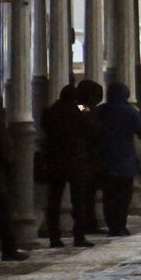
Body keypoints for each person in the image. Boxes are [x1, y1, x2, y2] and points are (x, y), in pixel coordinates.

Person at [95, 82, 141, 236]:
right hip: (125, 162)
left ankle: (112, 225)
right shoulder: (129, 112)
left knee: (109, 196)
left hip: (106, 160)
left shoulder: (101, 111)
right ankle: (121, 225)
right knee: (123, 196)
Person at [41, 85, 93, 248]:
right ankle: (79, 236)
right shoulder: (78, 109)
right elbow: (89, 119)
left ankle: (54, 237)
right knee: (79, 201)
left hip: (55, 160)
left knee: (54, 200)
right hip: (76, 160)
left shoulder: (50, 111)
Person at [0, 85, 29, 261]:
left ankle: (6, 245)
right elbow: (5, 148)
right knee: (3, 210)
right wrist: (11, 162)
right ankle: (8, 247)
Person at [76, 80, 105, 234]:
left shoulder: (83, 108)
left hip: (89, 155)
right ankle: (87, 223)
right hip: (86, 156)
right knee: (86, 193)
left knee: (89, 193)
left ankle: (89, 222)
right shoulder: (81, 108)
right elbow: (91, 125)